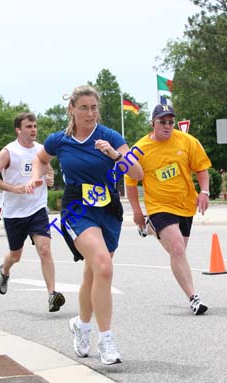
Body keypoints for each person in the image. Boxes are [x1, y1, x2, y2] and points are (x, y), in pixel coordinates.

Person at [26, 85, 143, 365]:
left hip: (108, 208)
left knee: (93, 274)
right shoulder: (59, 140)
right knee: (103, 264)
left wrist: (115, 155)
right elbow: (41, 158)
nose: (90, 113)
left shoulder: (110, 136)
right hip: (78, 208)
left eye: (94, 108)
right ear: (72, 110)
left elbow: (137, 173)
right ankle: (106, 340)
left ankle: (81, 325)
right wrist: (39, 176)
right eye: (84, 108)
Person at [125, 104, 211, 316]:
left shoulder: (186, 141)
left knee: (178, 251)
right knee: (177, 248)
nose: (167, 126)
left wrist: (205, 192)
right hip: (159, 206)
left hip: (185, 205)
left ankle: (150, 228)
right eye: (162, 122)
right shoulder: (140, 149)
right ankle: (193, 298)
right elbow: (130, 183)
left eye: (170, 122)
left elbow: (201, 168)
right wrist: (137, 211)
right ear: (152, 123)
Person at [0, 112, 65, 313]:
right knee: (15, 255)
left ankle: (52, 295)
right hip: (14, 213)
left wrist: (49, 179)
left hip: (37, 209)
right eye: (29, 127)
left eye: (35, 126)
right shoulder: (9, 152)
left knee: (44, 249)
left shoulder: (41, 150)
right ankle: (4, 272)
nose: (34, 130)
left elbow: (49, 171)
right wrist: (15, 188)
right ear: (18, 130)